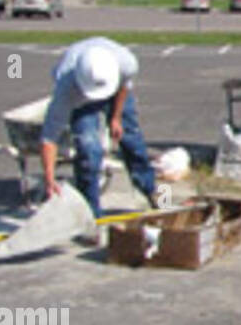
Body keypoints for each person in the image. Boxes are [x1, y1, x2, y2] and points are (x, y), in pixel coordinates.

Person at [39, 37, 159, 216]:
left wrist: (116, 117)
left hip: (115, 91)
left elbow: (124, 86)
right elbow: (49, 137)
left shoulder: (126, 62)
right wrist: (49, 180)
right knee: (88, 151)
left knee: (132, 139)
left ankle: (152, 191)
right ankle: (90, 215)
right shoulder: (65, 87)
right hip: (81, 101)